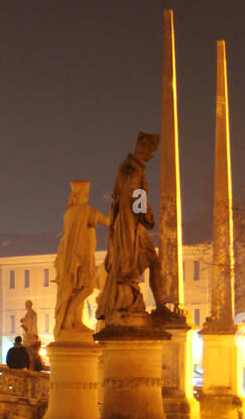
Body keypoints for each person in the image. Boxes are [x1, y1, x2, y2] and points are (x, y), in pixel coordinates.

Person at [98, 132, 168, 322]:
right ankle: (160, 305)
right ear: (148, 151)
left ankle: (156, 304)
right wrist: (147, 216)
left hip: (125, 222)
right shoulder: (133, 169)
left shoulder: (127, 166)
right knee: (151, 262)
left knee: (140, 263)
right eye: (152, 152)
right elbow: (136, 196)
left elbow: (118, 198)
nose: (152, 156)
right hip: (131, 224)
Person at [53, 179, 109, 336]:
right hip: (83, 256)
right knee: (88, 287)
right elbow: (106, 221)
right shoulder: (87, 211)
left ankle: (74, 322)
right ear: (83, 194)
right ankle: (70, 315)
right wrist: (122, 210)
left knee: (75, 289)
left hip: (69, 258)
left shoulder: (69, 213)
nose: (87, 196)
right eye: (87, 194)